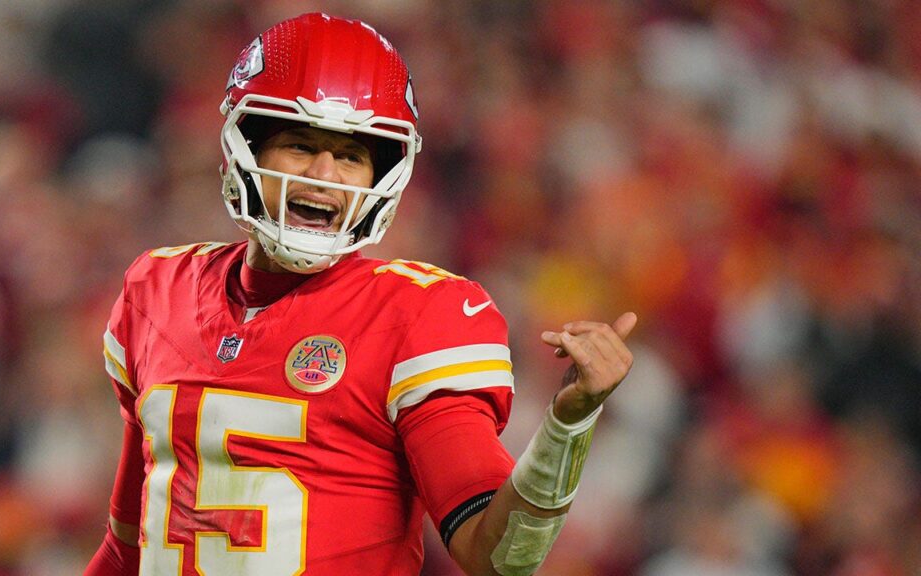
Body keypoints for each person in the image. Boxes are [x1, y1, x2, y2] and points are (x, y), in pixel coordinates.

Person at [85, 12, 636, 576]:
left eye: (351, 156)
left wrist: (567, 426)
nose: (325, 174)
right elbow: (129, 546)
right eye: (300, 145)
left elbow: (498, 558)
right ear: (246, 149)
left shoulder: (416, 315)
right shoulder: (157, 291)